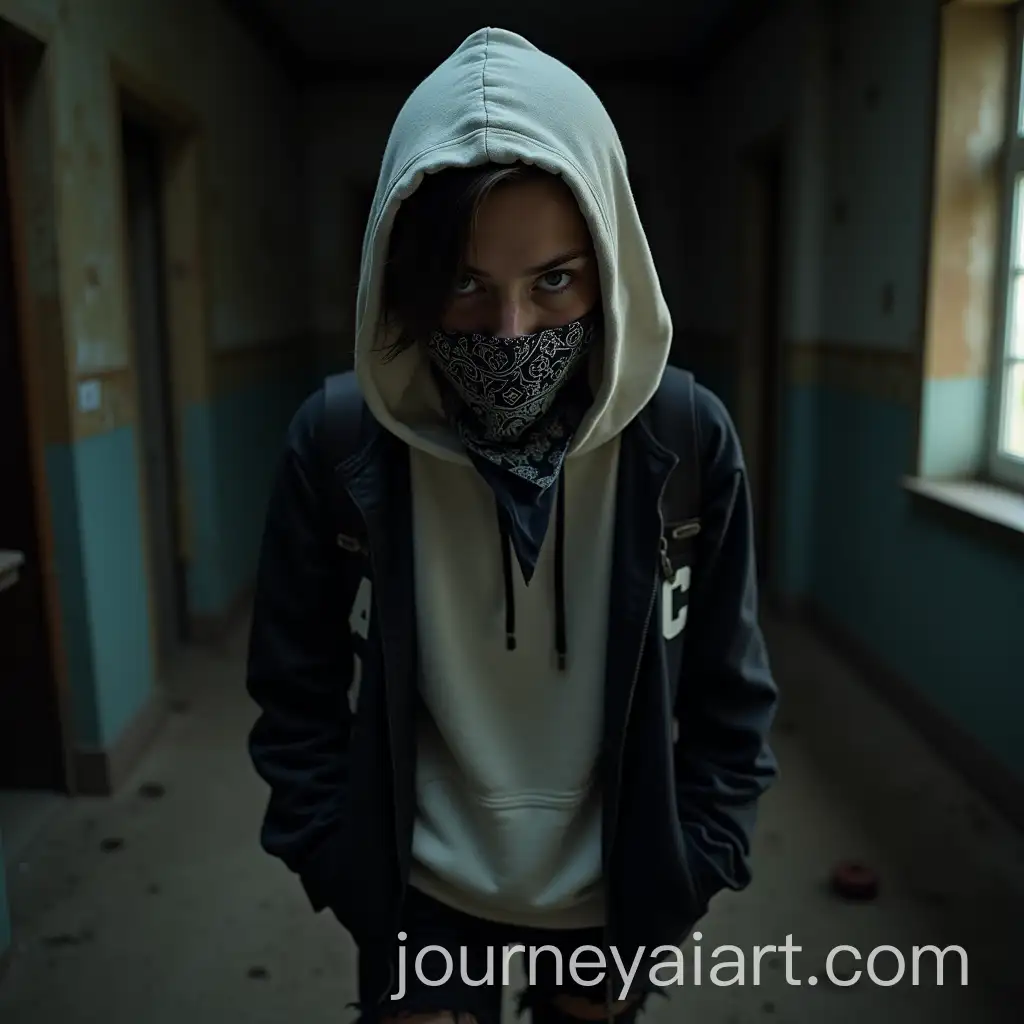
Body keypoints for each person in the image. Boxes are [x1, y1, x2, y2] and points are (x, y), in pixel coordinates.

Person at [246, 26, 779, 1024]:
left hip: (608, 907)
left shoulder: (684, 442)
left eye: (555, 280)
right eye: (463, 283)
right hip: (418, 907)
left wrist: (681, 880)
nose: (511, 334)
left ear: (610, 266)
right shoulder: (337, 445)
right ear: (402, 278)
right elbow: (293, 683)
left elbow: (730, 694)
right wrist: (351, 878)